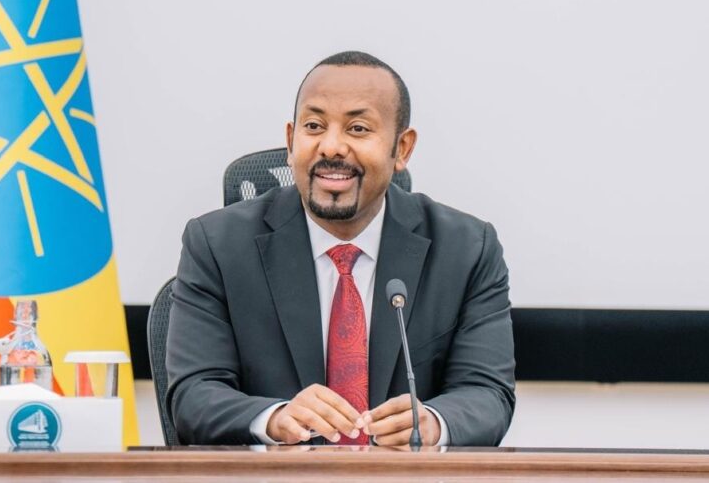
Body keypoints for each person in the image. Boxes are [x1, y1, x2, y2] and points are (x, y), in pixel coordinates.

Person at [166, 51, 515, 446]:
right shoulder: (216, 245)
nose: (331, 147)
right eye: (313, 126)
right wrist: (274, 417)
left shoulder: (466, 250)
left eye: (358, 129)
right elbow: (193, 395)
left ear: (402, 148)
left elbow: (488, 393)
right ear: (290, 140)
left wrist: (433, 422)